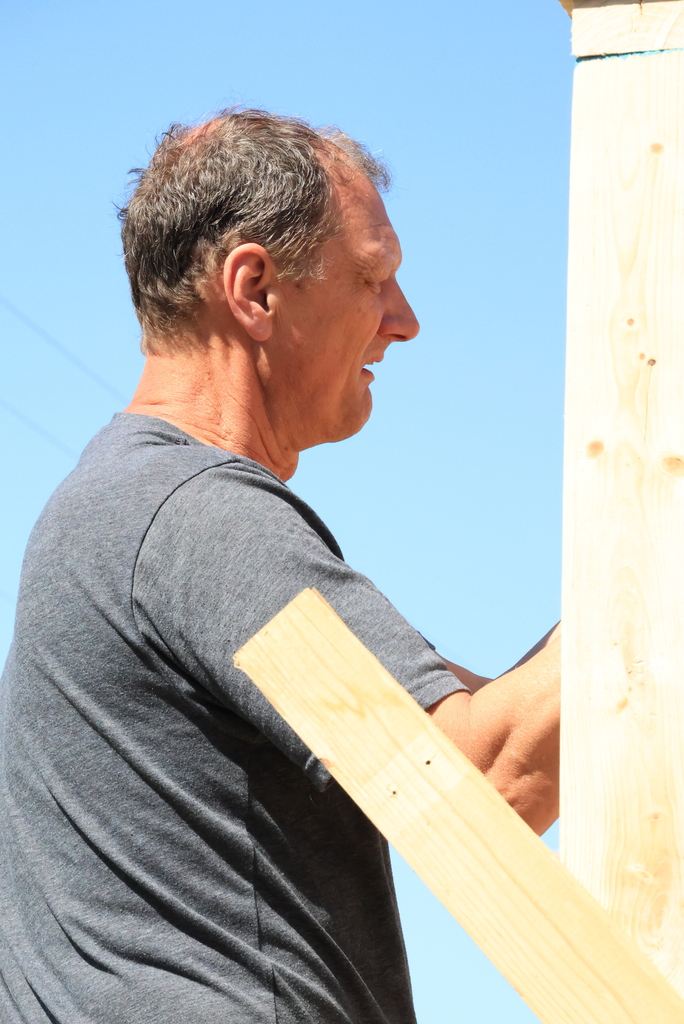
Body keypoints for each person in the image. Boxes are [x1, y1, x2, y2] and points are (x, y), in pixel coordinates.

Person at [0, 109, 560, 1024]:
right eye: (373, 278)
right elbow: (485, 786)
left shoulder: (131, 513)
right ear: (254, 289)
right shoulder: (192, 518)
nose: (405, 322)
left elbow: (503, 734)